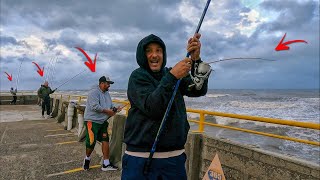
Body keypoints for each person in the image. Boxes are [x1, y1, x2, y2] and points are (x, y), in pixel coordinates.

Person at [122, 33, 210, 180]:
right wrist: (172, 76)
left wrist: (196, 60)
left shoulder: (172, 74)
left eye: (159, 50)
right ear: (142, 55)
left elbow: (198, 89)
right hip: (140, 159)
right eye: (149, 51)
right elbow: (152, 107)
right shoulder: (138, 77)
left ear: (164, 54)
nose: (154, 55)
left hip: (174, 159)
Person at [82, 76, 123, 171]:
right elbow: (95, 107)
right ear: (101, 83)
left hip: (102, 121)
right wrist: (108, 112)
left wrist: (115, 108)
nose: (109, 86)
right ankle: (87, 159)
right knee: (91, 142)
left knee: (105, 140)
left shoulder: (107, 93)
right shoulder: (94, 92)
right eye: (108, 83)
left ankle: (106, 164)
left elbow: (110, 105)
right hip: (92, 121)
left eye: (109, 84)